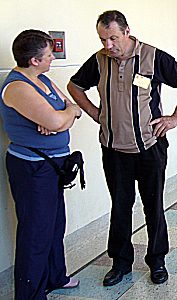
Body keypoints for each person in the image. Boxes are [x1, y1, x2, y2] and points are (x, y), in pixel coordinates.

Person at [67, 10, 177, 287]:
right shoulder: (100, 61)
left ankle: (157, 261)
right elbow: (75, 86)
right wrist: (95, 113)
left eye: (113, 38)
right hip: (114, 150)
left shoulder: (151, 56)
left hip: (150, 148)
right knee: (120, 207)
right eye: (103, 39)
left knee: (153, 206)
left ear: (127, 32)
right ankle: (120, 263)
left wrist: (175, 118)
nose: (108, 45)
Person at [0, 29, 82, 300]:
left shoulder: (43, 79)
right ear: (34, 60)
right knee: (35, 232)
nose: (52, 59)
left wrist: (61, 115)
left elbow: (73, 109)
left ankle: (56, 276)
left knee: (55, 224)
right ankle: (31, 294)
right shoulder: (18, 87)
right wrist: (59, 118)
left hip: (53, 166)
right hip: (32, 169)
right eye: (48, 55)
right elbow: (59, 120)